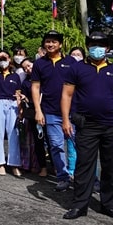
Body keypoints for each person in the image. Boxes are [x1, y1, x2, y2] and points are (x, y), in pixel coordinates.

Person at [61, 33, 113, 221]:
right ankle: (79, 205)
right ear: (87, 47)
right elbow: (67, 95)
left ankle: (109, 205)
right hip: (87, 125)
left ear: (108, 48)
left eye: (101, 45)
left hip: (112, 126)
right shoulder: (77, 69)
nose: (97, 48)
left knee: (111, 166)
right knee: (84, 166)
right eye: (93, 44)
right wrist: (66, 120)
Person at [30, 30, 76, 192]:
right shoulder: (39, 64)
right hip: (50, 111)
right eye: (48, 41)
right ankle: (63, 177)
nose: (50, 44)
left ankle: (80, 176)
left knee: (77, 145)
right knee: (56, 146)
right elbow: (35, 87)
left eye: (54, 42)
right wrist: (38, 110)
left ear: (60, 44)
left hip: (73, 112)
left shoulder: (72, 62)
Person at [0, 50, 23, 177]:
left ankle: (14, 164)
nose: (3, 61)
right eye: (1, 59)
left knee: (14, 133)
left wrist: (20, 109)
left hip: (12, 103)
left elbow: (18, 93)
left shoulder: (15, 76)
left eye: (5, 58)